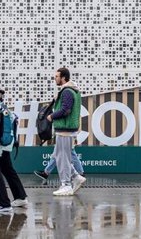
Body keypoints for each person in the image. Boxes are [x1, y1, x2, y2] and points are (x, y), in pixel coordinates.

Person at [46, 67, 86, 196]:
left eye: (57, 76)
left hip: (65, 130)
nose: (55, 79)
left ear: (63, 77)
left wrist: (52, 116)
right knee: (59, 156)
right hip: (66, 129)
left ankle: (66, 185)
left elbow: (66, 109)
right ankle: (76, 177)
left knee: (63, 158)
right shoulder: (72, 91)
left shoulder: (67, 91)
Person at [0, 86, 29, 207]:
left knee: (6, 171)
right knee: (6, 171)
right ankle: (20, 196)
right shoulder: (3, 108)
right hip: (3, 145)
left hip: (0, 146)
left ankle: (20, 197)